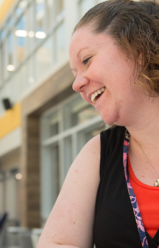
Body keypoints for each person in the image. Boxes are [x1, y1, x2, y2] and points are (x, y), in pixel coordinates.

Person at [37, 0, 159, 247]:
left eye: (87, 60)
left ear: (139, 49)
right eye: (74, 73)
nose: (76, 84)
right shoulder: (98, 153)